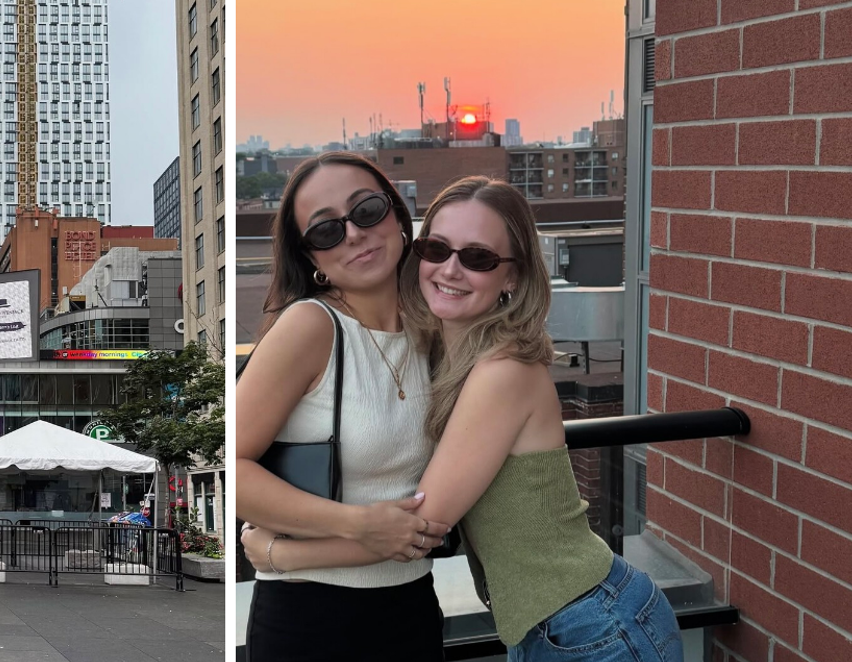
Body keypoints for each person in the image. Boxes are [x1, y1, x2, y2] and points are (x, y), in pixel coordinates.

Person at [246, 176, 683, 661]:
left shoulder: (503, 371)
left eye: (479, 258)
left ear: (513, 276)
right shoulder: (439, 353)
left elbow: (419, 526)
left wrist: (280, 554)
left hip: (593, 626)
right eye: (438, 249)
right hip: (554, 626)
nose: (451, 269)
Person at [237, 152, 449, 662]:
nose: (353, 234)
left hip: (412, 604)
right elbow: (235, 466)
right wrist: (354, 526)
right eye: (326, 231)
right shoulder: (310, 327)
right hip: (310, 618)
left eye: (367, 210)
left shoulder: (438, 327)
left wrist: (279, 550)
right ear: (311, 257)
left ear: (398, 216)